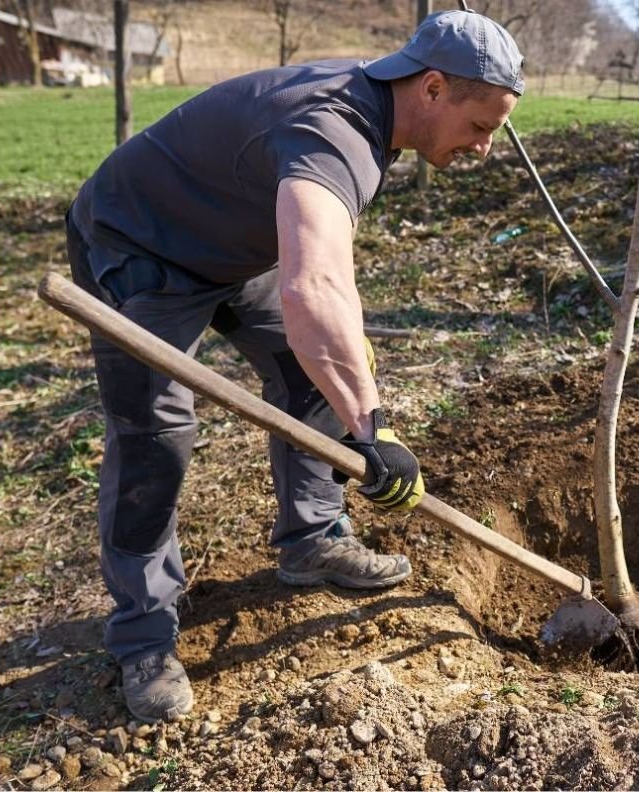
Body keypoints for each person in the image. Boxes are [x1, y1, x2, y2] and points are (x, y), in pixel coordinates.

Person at [64, 10, 524, 724]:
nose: (485, 147)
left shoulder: (377, 116)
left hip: (231, 246)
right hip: (140, 243)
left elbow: (326, 267)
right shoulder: (332, 131)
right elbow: (314, 290)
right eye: (480, 126)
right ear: (433, 88)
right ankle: (142, 637)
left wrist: (350, 376)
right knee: (156, 434)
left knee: (316, 374)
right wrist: (373, 429)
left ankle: (311, 541)